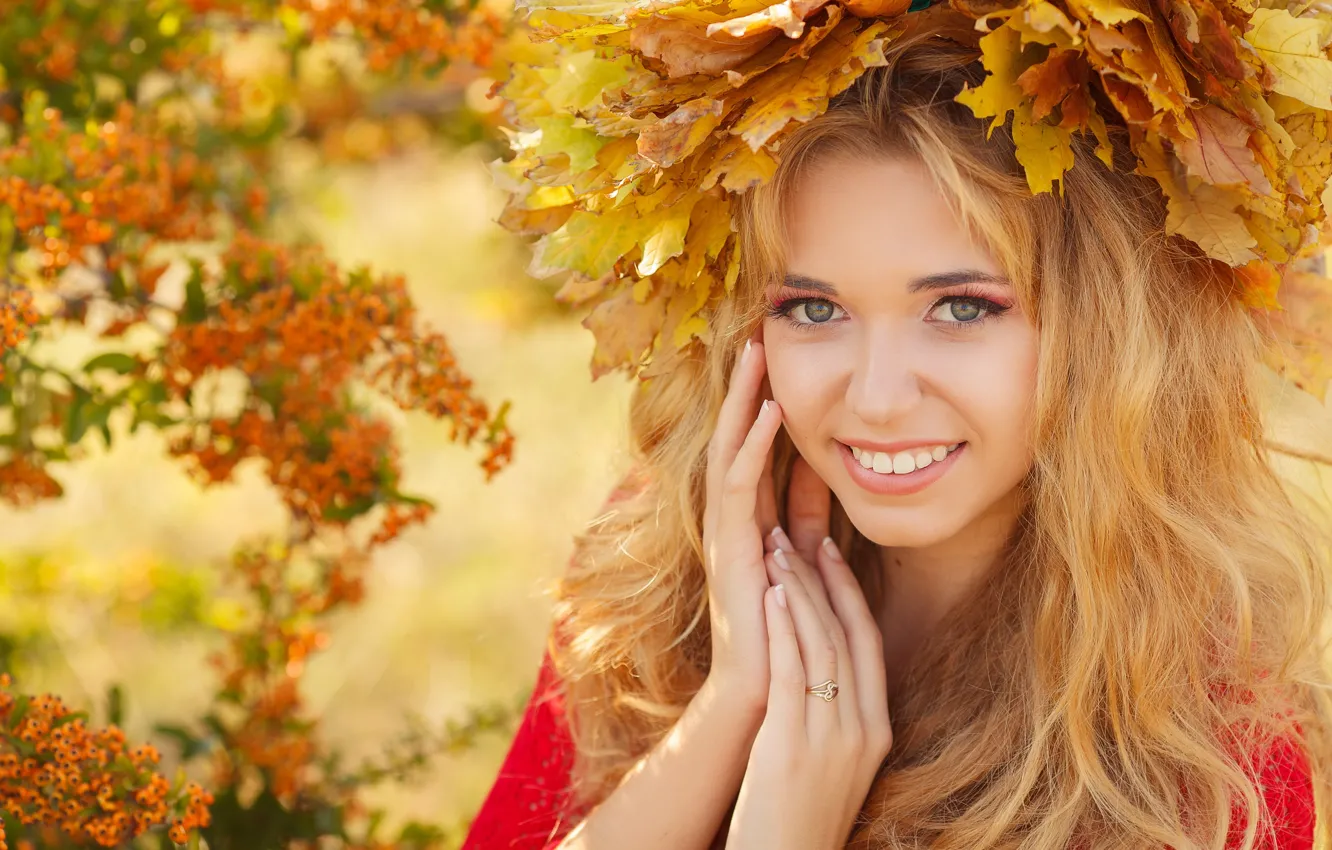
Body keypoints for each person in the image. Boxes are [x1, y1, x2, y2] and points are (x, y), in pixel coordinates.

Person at [462, 3, 1332, 847]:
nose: (875, 398)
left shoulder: (1213, 763)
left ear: (1104, 333)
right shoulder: (659, 574)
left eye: (959, 308)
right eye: (811, 309)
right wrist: (729, 708)